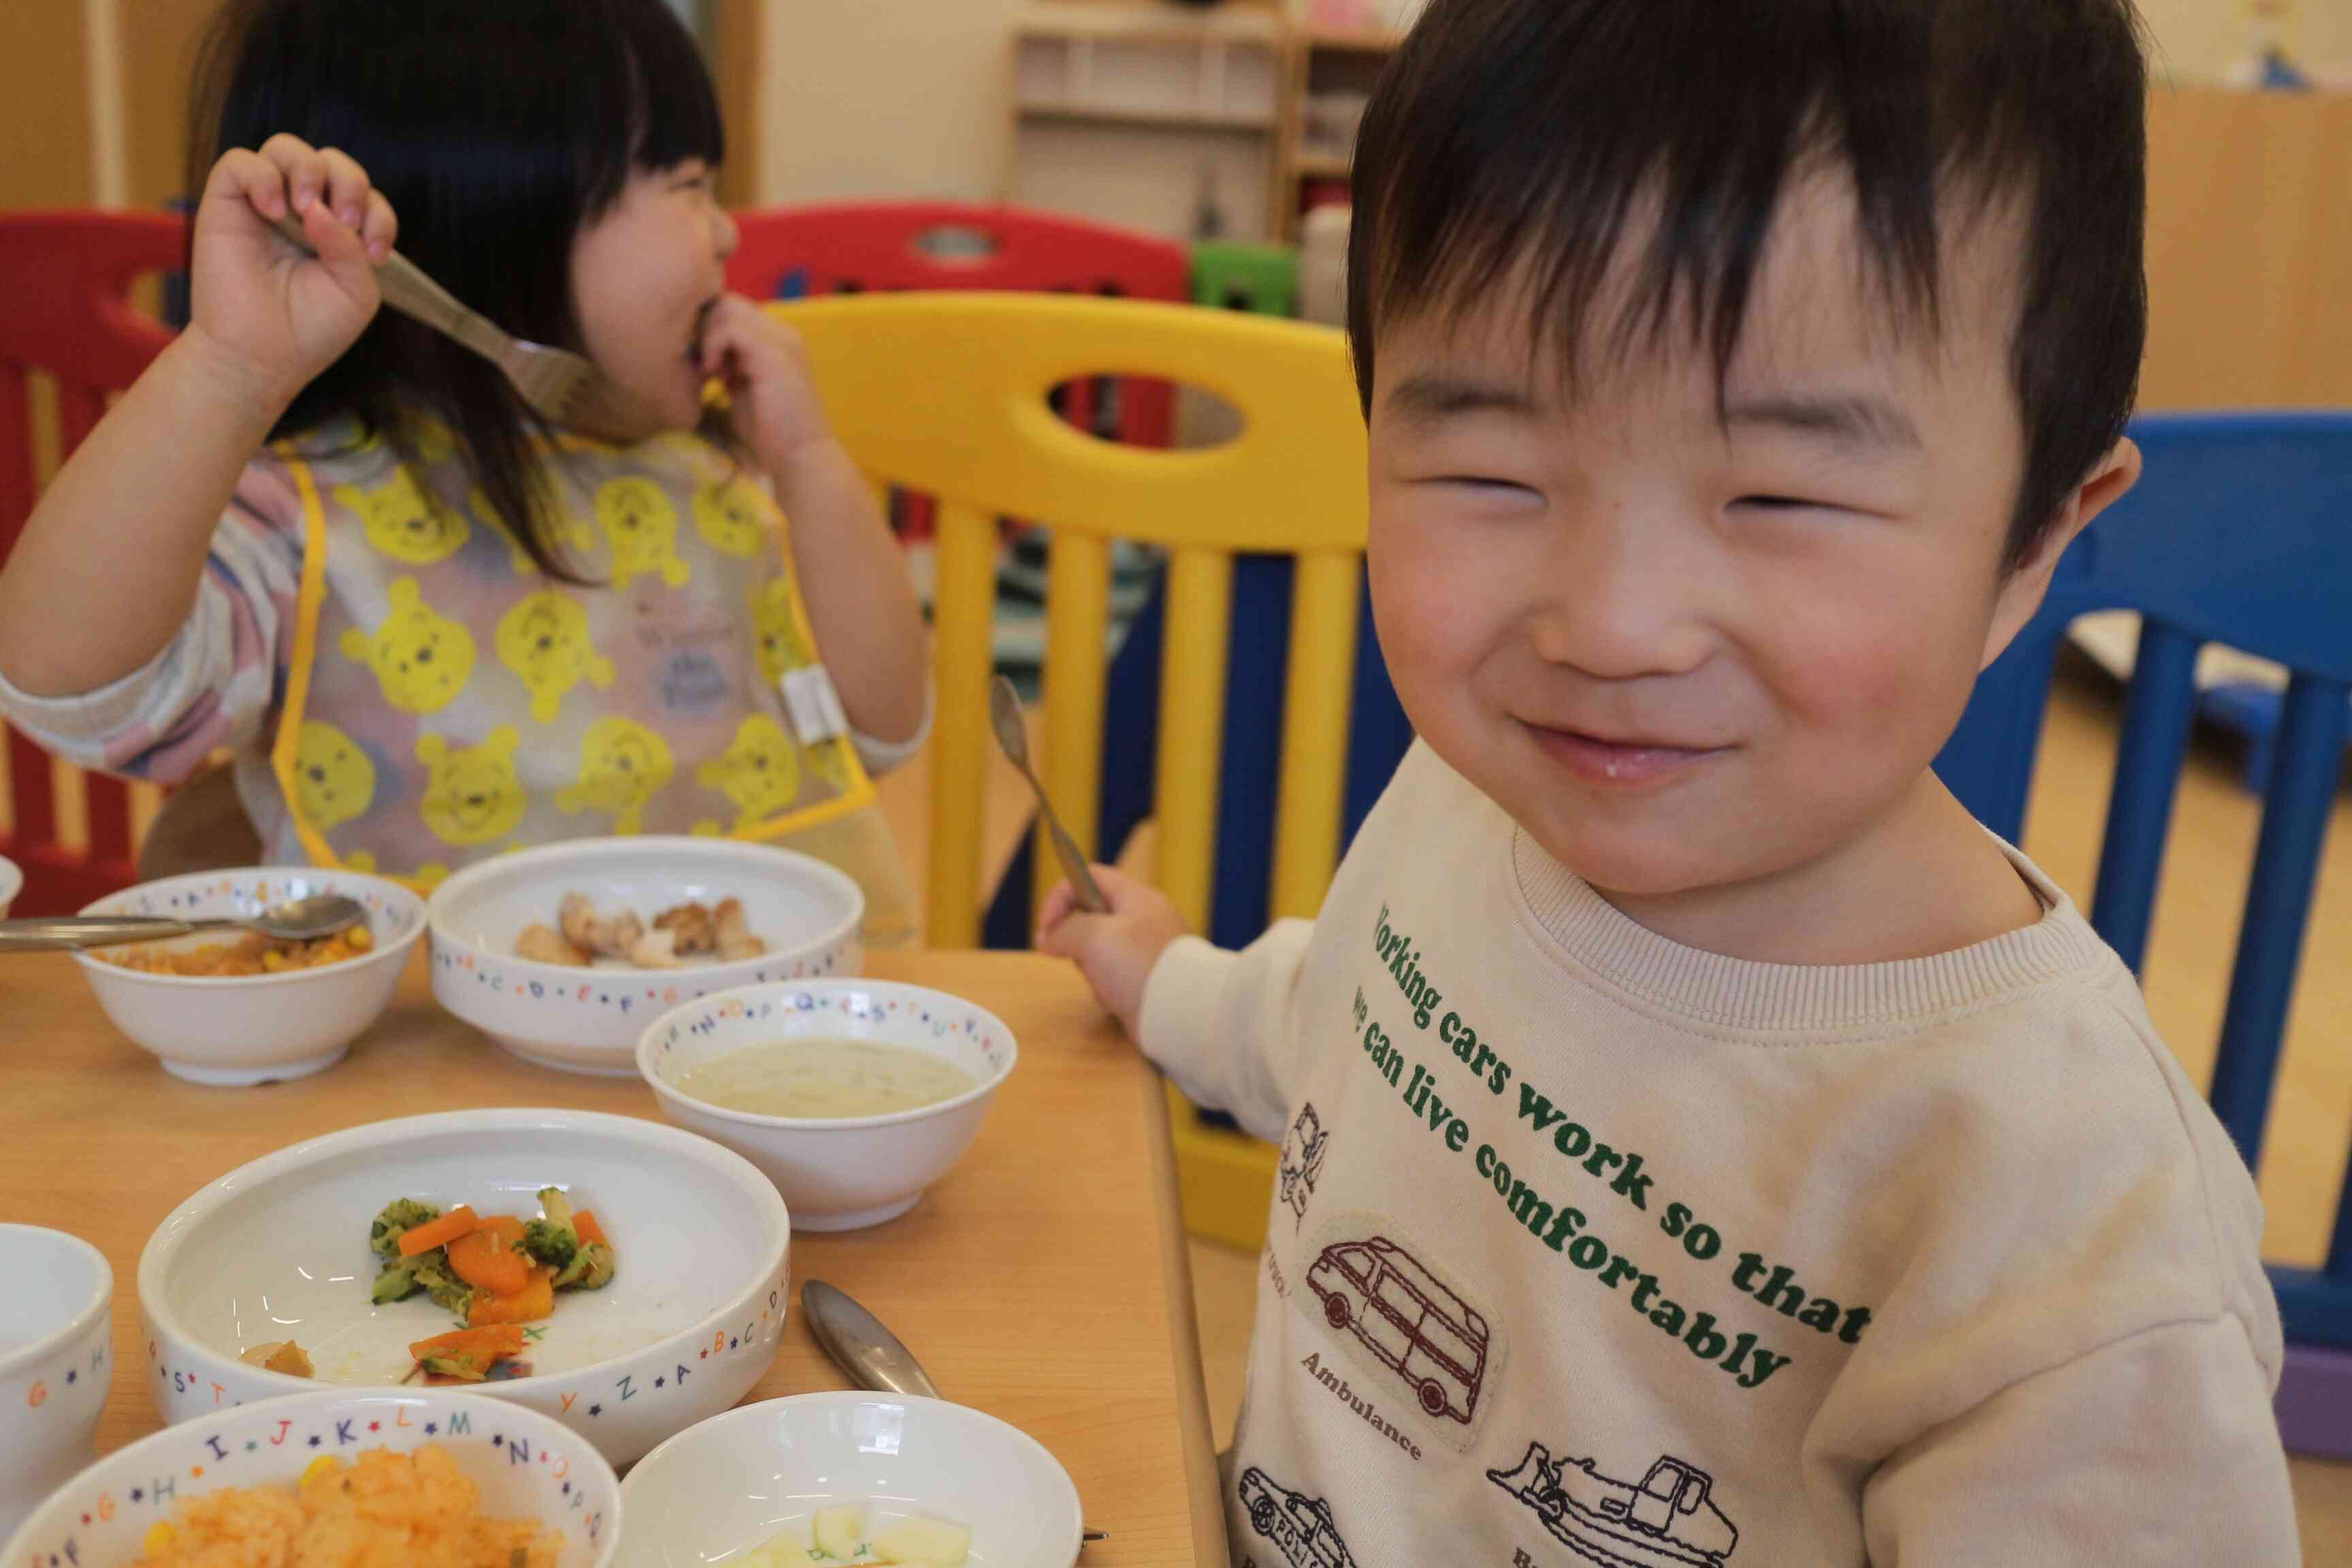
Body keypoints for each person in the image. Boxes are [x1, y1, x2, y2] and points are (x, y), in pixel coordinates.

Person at [1041, 0, 2301, 1559]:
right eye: (1494, 474)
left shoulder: (2063, 1234)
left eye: (1778, 493)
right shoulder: (1481, 795)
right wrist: (1166, 979)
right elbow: (1351, 1035)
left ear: (2040, 534)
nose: (1611, 628)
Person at [0, 0, 927, 939]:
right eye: (690, 184)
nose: (726, 233)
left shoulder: (713, 484)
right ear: (511, 214)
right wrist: (228, 368)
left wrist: (810, 462)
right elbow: (78, 700)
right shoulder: (307, 523)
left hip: (733, 1052)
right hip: (420, 1074)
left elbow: (882, 728)